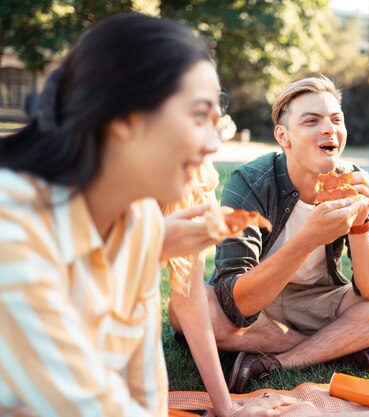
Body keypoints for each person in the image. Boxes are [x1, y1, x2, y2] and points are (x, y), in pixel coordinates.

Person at [0, 13, 300, 417]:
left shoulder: (139, 219)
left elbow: (143, 386)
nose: (213, 144)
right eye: (198, 116)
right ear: (125, 117)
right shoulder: (14, 236)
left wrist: (226, 410)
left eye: (217, 119)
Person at [170, 75, 369, 394]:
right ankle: (342, 347)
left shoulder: (354, 182)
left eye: (336, 120)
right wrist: (308, 238)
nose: (329, 129)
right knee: (184, 304)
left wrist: (360, 224)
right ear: (283, 136)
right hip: (259, 305)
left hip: (322, 302)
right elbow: (236, 305)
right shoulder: (249, 182)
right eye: (312, 121)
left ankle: (278, 361)